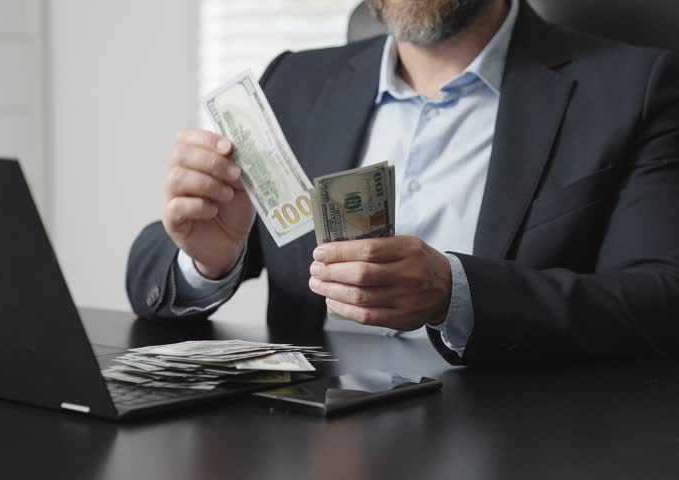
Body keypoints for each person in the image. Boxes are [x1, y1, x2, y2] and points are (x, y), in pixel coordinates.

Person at [126, 0, 679, 364]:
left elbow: (660, 300)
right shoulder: (296, 80)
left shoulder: (637, 87)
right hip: (311, 439)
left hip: (514, 438)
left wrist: (455, 294)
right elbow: (150, 276)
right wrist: (205, 262)